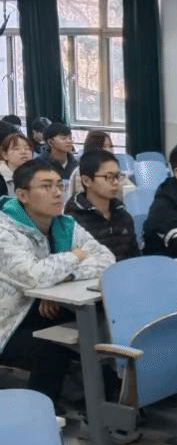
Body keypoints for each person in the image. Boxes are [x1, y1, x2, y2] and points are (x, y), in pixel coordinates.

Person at [0, 159, 114, 409]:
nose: (57, 192)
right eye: (46, 186)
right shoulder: (5, 231)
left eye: (59, 186)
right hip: (9, 323)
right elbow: (34, 276)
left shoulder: (64, 224)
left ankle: (107, 402)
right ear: (22, 195)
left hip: (44, 307)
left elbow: (106, 258)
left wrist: (65, 277)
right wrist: (75, 256)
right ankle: (40, 414)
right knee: (51, 347)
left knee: (100, 325)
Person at [64, 150, 139, 261]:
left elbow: (135, 259)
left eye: (118, 176)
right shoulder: (72, 222)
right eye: (109, 177)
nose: (116, 182)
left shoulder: (123, 215)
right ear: (86, 181)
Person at [66, 130, 135, 199]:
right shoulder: (80, 173)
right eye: (104, 146)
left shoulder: (116, 171)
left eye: (110, 146)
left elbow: (132, 191)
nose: (109, 150)